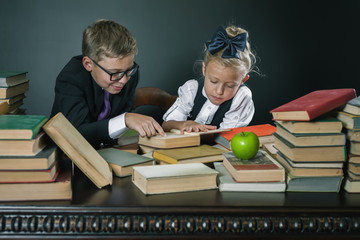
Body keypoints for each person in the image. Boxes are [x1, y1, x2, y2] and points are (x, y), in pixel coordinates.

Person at [50, 19, 165, 149]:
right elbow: (76, 133)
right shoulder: (71, 78)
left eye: (129, 69)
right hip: (67, 156)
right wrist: (125, 120)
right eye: (114, 73)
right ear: (88, 64)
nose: (124, 80)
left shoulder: (130, 75)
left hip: (109, 150)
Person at [162, 25, 256, 134]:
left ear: (243, 80)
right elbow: (166, 125)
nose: (219, 91)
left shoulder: (241, 98)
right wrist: (184, 124)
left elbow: (226, 136)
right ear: (204, 69)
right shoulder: (192, 89)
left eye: (230, 85)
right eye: (213, 81)